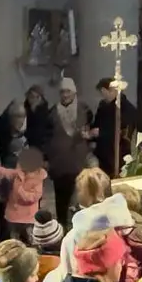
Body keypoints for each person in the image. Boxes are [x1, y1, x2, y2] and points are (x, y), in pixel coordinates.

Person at [45, 78, 95, 219]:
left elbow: (92, 131)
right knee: (61, 202)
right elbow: (46, 138)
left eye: (68, 91)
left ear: (74, 92)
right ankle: (61, 229)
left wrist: (89, 137)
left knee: (80, 201)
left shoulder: (85, 110)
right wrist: (46, 159)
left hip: (79, 164)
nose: (65, 95)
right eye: (62, 92)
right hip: (59, 165)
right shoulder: (51, 113)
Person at [0, 147, 50, 242]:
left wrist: (20, 191)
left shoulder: (38, 179)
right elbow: (6, 172)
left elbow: (34, 197)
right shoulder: (18, 173)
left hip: (27, 217)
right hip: (13, 214)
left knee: (26, 238)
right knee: (14, 238)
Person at [91, 78, 138, 178]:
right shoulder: (103, 106)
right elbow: (97, 124)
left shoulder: (127, 108)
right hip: (103, 154)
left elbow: (124, 132)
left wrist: (101, 132)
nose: (102, 95)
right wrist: (91, 132)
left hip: (118, 154)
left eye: (102, 92)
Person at [0, 101, 31, 169]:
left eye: (23, 116)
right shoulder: (1, 127)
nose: (22, 120)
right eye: (19, 116)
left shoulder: (22, 136)